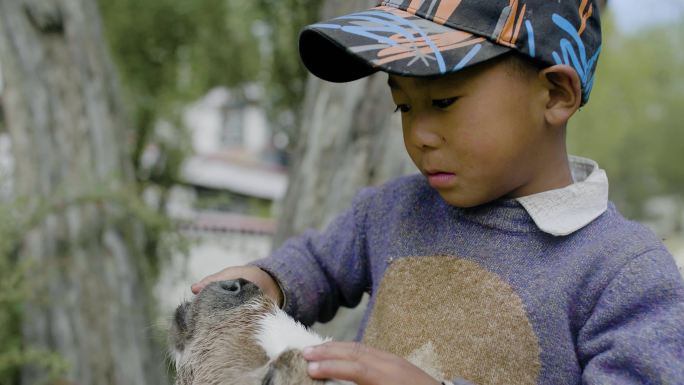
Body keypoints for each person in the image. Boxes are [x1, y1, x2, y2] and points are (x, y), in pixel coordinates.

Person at [191, 1, 684, 384]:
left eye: (443, 101)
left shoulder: (622, 272)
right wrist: (266, 282)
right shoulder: (392, 210)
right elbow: (317, 263)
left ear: (555, 94)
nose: (419, 135)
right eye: (403, 106)